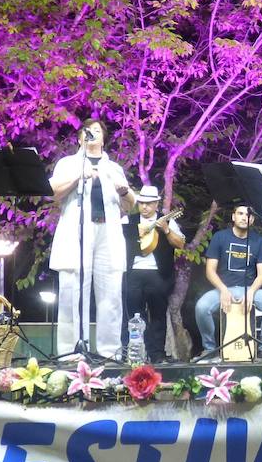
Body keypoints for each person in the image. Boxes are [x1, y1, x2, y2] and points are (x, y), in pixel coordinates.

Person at [48, 119, 136, 359]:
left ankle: (110, 352)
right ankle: (71, 352)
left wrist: (125, 191)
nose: (93, 134)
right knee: (73, 290)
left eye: (98, 130)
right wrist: (78, 177)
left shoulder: (114, 168)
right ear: (79, 138)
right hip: (78, 230)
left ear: (104, 138)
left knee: (111, 293)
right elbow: (53, 192)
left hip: (107, 231)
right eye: (88, 131)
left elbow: (132, 205)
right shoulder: (68, 164)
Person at [195, 205, 262, 361]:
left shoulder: (258, 240)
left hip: (249, 289)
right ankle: (210, 350)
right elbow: (210, 270)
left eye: (247, 215)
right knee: (202, 307)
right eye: (240, 213)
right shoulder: (220, 237)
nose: (244, 217)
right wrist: (223, 290)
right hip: (224, 288)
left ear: (252, 219)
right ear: (233, 216)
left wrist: (251, 292)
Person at [122, 185, 185, 364]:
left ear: (156, 204)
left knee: (158, 315)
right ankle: (134, 355)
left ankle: (157, 354)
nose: (145, 207)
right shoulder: (128, 220)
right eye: (142, 203)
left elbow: (180, 243)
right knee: (134, 314)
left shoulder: (166, 221)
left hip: (159, 274)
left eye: (149, 204)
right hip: (133, 272)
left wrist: (165, 229)